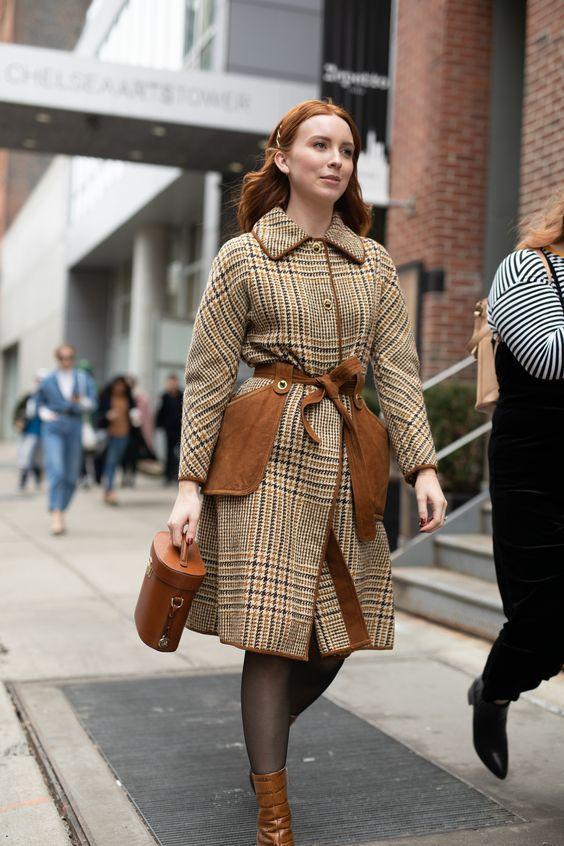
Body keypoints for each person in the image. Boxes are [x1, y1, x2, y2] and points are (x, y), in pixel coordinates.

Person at [166, 99, 447, 844]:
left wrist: (422, 466)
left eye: (346, 150)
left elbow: (398, 370)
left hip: (350, 452)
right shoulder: (244, 256)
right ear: (283, 157)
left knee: (340, 634)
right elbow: (207, 374)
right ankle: (274, 817)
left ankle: (264, 740)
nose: (335, 160)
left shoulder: (373, 263)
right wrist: (188, 484)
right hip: (266, 452)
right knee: (273, 632)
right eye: (320, 145)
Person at [468, 189, 564, 780]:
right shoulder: (527, 265)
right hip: (534, 466)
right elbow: (549, 357)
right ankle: (496, 690)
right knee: (542, 613)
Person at [36, 344, 98, 535]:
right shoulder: (48, 380)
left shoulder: (82, 378)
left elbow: (93, 403)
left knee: (71, 476)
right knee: (57, 469)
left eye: (69, 357)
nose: (66, 361)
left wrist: (81, 401)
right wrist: (46, 414)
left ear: (73, 357)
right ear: (57, 359)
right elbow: (39, 403)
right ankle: (56, 514)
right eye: (62, 357)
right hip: (53, 426)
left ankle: (60, 509)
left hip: (74, 424)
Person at [96, 375, 140, 505]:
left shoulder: (129, 399)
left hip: (124, 434)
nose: (120, 388)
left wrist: (135, 420)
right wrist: (107, 416)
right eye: (117, 385)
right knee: (110, 462)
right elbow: (98, 415)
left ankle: (108, 490)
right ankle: (109, 490)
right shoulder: (106, 397)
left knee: (114, 462)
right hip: (108, 434)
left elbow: (134, 415)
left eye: (122, 386)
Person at [13, 368, 48, 492]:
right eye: (38, 380)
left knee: (39, 459)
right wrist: (18, 422)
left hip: (43, 432)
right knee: (25, 457)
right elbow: (18, 412)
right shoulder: (29, 397)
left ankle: (39, 482)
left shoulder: (48, 399)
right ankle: (22, 482)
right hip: (29, 432)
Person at [156, 374, 183, 484]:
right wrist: (159, 425)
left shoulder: (182, 395)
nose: (172, 385)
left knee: (179, 453)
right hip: (169, 429)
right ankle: (168, 476)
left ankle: (178, 475)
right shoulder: (165, 396)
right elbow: (161, 411)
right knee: (168, 452)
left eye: (173, 382)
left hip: (180, 428)